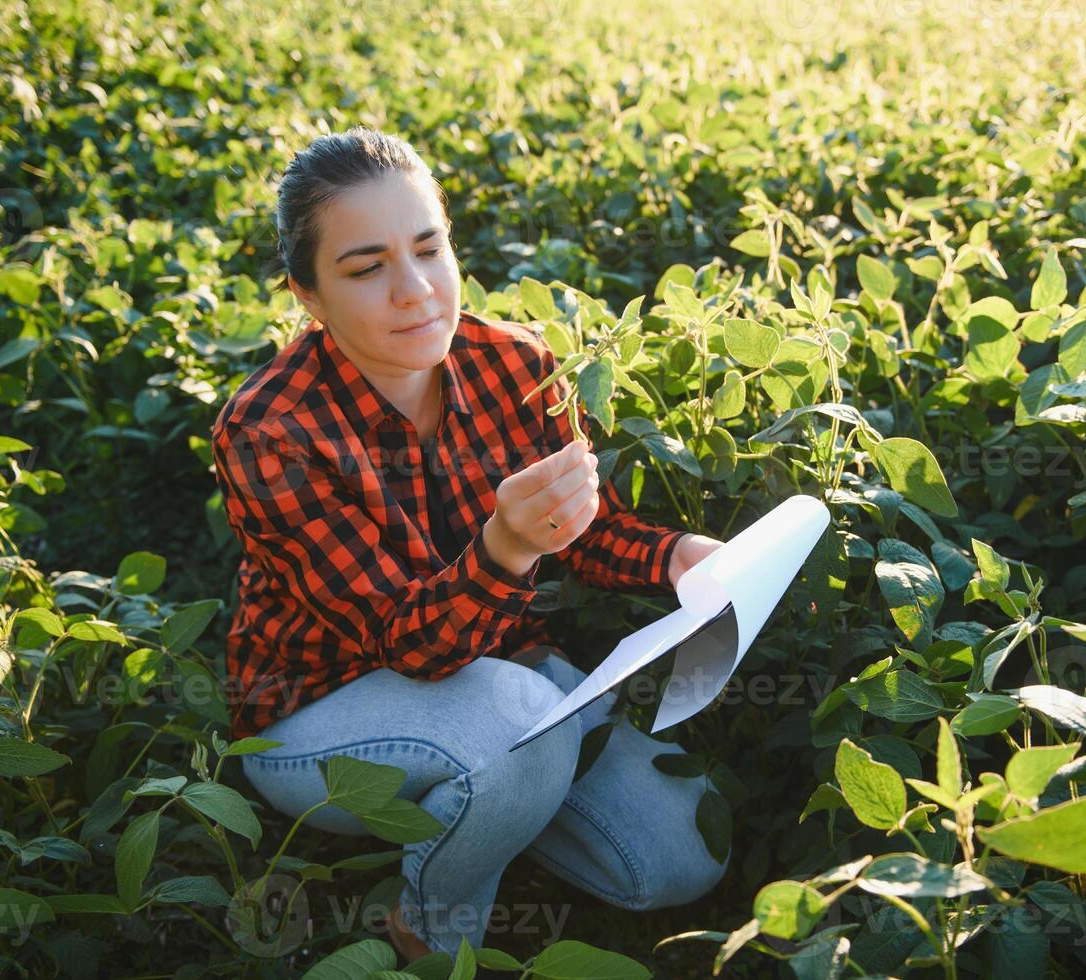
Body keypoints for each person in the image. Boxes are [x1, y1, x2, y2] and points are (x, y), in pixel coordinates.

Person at [210, 125, 729, 962]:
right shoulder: (270, 428)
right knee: (515, 725)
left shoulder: (514, 363)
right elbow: (408, 647)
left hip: (500, 677)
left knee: (678, 857)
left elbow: (583, 532)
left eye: (429, 248)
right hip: (319, 712)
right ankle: (429, 931)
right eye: (365, 267)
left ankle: (486, 807)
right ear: (309, 298)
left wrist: (675, 556)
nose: (414, 290)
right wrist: (505, 549)